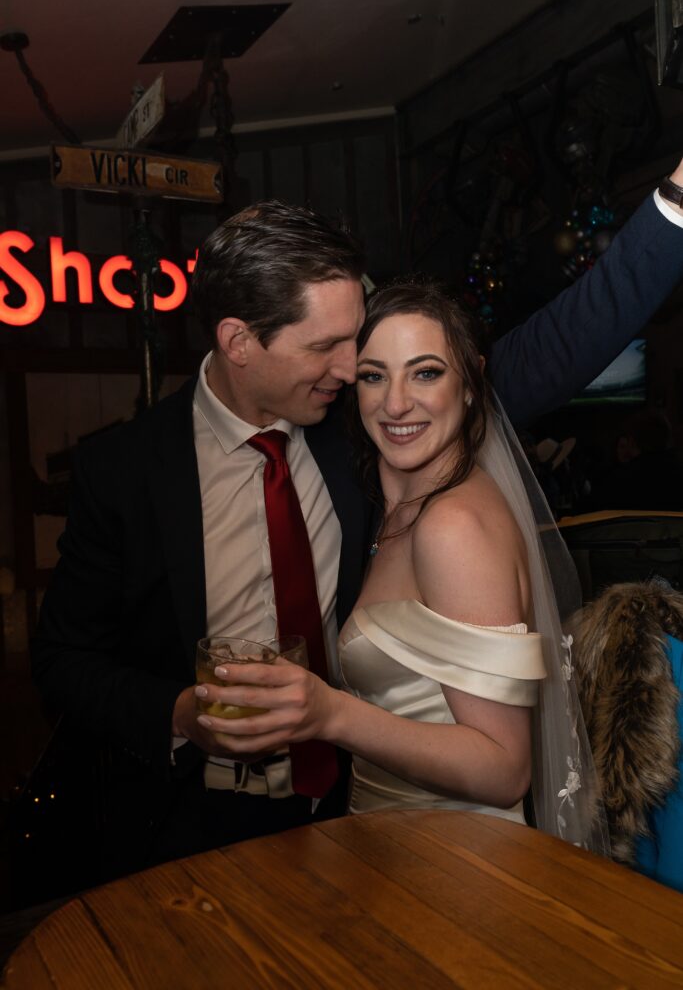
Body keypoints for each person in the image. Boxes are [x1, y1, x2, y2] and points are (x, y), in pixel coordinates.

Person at [29, 169, 683, 887]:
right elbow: (63, 659)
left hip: (352, 812)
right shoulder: (125, 471)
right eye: (328, 347)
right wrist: (183, 713)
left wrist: (671, 208)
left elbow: (554, 346)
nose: (353, 367)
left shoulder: (365, 422)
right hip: (188, 828)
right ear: (239, 340)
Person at [195, 283, 608, 850]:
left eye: (426, 372)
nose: (395, 403)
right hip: (388, 846)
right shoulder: (394, 509)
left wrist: (328, 714)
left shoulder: (453, 527)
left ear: (470, 385)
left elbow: (503, 770)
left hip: (457, 862)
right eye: (373, 375)